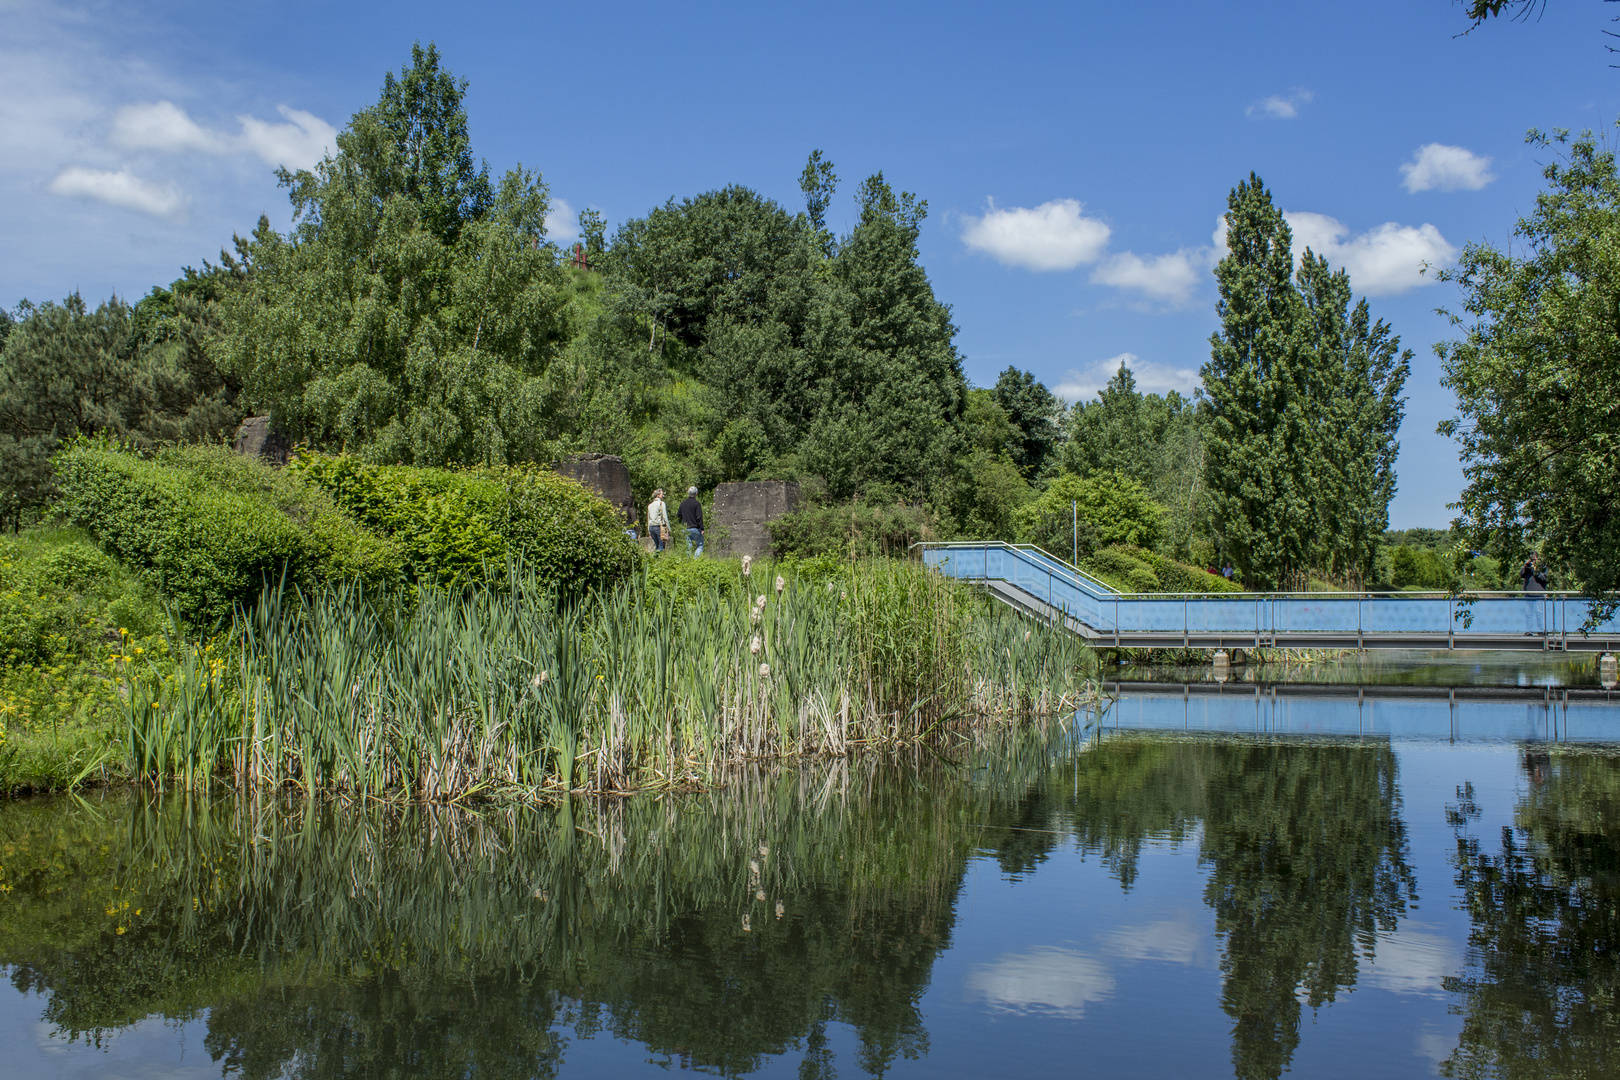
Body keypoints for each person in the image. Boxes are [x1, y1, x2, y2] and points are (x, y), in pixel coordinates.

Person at [678, 486, 704, 557]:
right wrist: (702, 528)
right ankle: (695, 561)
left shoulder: (682, 504)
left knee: (688, 547)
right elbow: (699, 517)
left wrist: (685, 519)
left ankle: (688, 561)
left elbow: (679, 515)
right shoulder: (697, 504)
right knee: (700, 545)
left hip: (686, 528)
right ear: (696, 493)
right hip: (695, 528)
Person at [647, 489, 670, 553]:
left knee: (657, 546)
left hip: (651, 527)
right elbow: (665, 517)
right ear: (658, 495)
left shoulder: (650, 505)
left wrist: (649, 531)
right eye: (662, 494)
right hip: (659, 527)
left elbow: (648, 519)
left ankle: (655, 559)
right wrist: (668, 528)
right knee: (661, 546)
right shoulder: (661, 503)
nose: (663, 495)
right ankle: (657, 558)